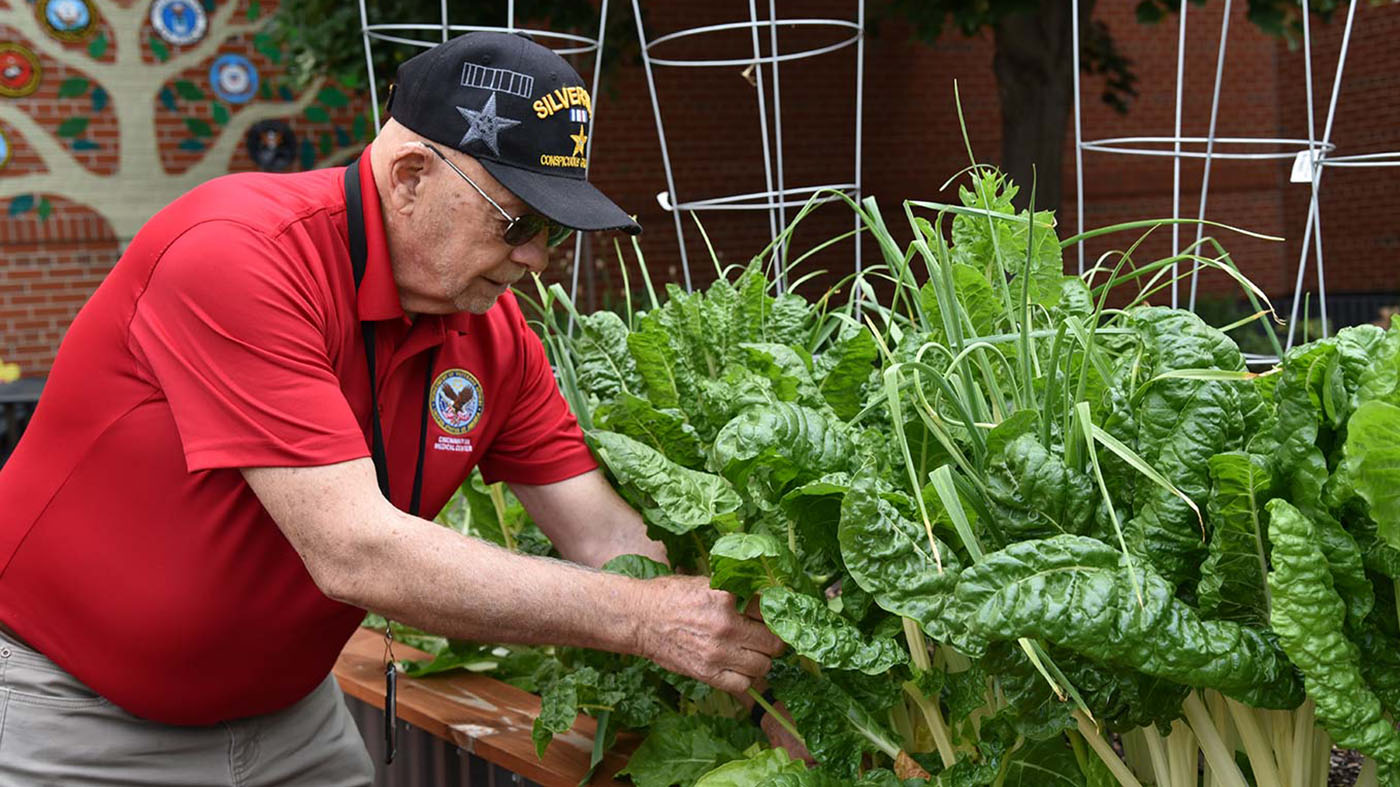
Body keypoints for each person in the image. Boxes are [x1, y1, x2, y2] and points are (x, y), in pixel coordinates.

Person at [0, 32, 785, 785]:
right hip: (74, 720)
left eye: (553, 232)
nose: (536, 259)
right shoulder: (237, 252)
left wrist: (763, 650)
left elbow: (606, 535)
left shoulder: (493, 334)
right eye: (518, 222)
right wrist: (641, 617)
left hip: (288, 724)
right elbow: (356, 550)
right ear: (410, 175)